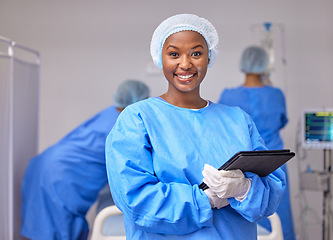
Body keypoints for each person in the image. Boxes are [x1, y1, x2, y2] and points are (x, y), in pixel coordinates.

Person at [105, 14, 286, 240]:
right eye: (173, 54)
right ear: (160, 58)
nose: (185, 64)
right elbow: (135, 200)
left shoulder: (238, 119)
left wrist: (244, 189)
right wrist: (206, 199)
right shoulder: (137, 119)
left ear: (209, 57)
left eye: (196, 53)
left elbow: (272, 189)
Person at [21, 80, 150, 240]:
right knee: (58, 223)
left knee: (41, 222)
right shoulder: (124, 124)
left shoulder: (109, 113)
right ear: (140, 101)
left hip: (45, 161)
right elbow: (136, 163)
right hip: (62, 174)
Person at [218, 45, 295, 240]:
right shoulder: (276, 94)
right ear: (264, 66)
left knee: (241, 220)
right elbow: (282, 121)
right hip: (275, 165)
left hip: (241, 165)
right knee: (278, 218)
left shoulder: (228, 96)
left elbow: (221, 127)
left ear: (243, 65)